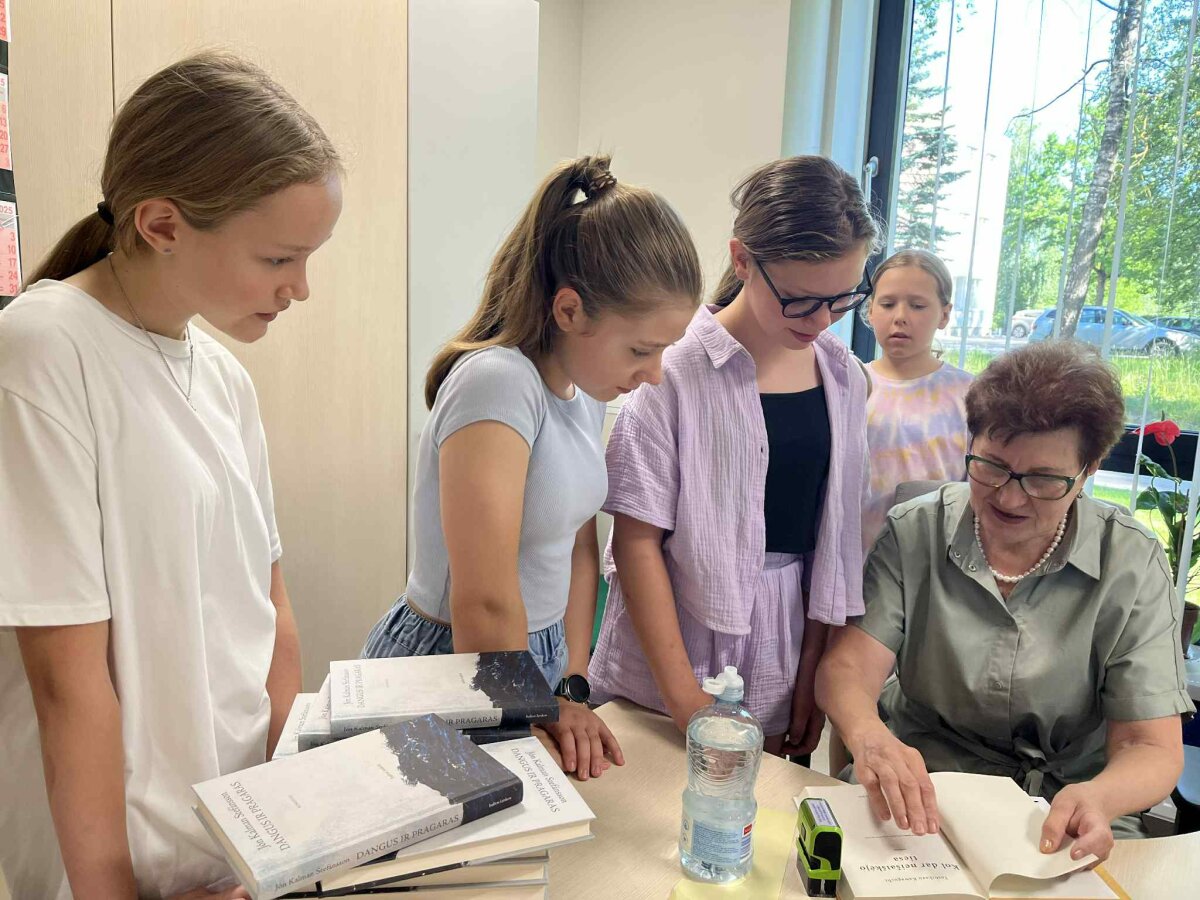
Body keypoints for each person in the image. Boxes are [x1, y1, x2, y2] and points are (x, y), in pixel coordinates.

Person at [0, 53, 342, 899]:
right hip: (109, 859)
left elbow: (272, 613)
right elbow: (66, 681)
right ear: (162, 224)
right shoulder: (44, 351)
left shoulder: (223, 377)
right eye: (279, 259)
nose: (300, 288)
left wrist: (281, 824)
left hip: (233, 838)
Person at [362, 155, 702, 781]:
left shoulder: (582, 390)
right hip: (458, 659)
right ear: (569, 311)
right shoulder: (497, 383)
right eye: (640, 349)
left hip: (531, 661)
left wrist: (569, 684)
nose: (654, 375)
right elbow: (485, 600)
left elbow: (577, 547)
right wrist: (526, 713)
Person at [816, 340, 1191, 863]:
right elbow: (849, 667)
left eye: (1042, 479)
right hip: (927, 784)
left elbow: (1148, 746)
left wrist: (1100, 797)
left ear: (1089, 469)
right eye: (991, 467)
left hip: (1068, 804)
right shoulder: (916, 530)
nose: (1009, 498)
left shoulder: (1131, 561)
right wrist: (868, 735)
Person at [589, 156, 878, 761]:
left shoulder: (844, 377)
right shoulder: (673, 370)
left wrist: (812, 674)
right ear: (743, 260)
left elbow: (831, 543)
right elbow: (636, 542)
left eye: (842, 300)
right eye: (800, 300)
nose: (821, 321)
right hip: (669, 651)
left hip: (783, 646)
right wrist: (684, 699)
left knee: (754, 809)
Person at [861, 248, 972, 548]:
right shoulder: (850, 385)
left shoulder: (970, 394)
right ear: (870, 310)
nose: (900, 317)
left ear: (944, 315)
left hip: (934, 557)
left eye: (917, 306)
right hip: (856, 556)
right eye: (887, 304)